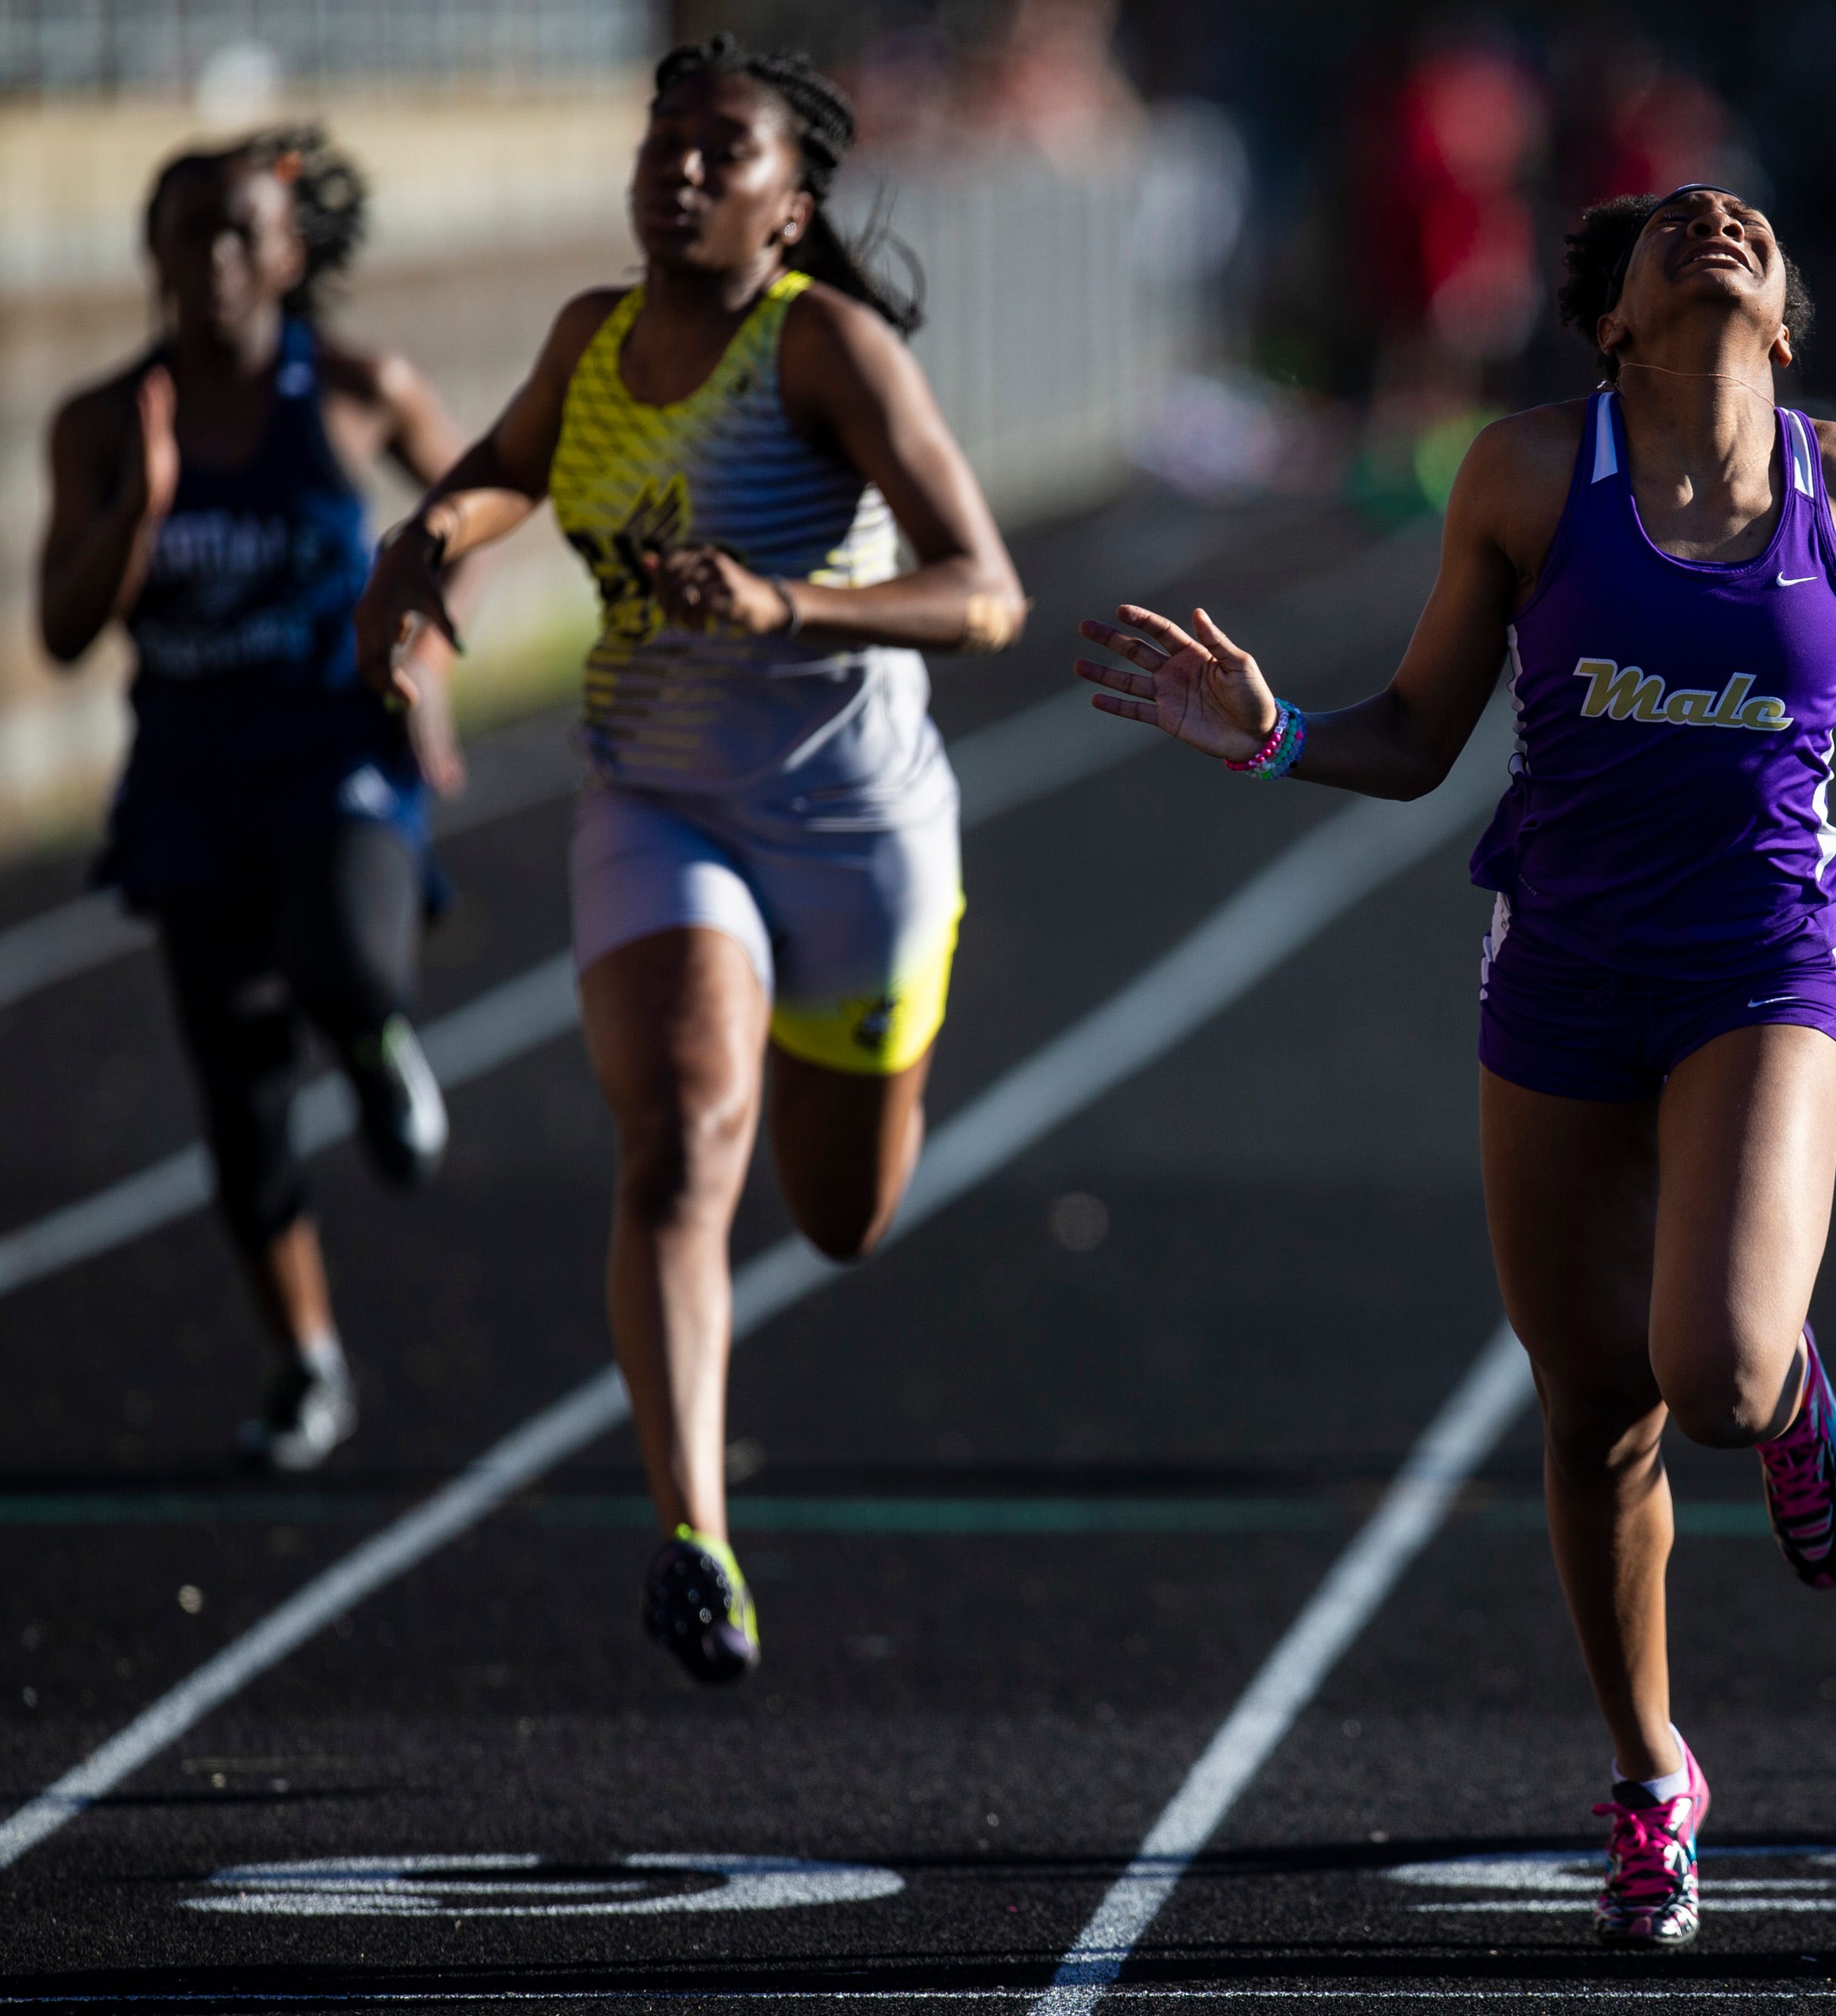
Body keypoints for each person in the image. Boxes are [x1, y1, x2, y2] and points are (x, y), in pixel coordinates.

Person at [1077, 184, 1836, 1946]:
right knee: (1593, 1411)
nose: (1716, 221)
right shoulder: (1527, 472)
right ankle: (1651, 1772)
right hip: (1562, 972)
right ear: (1614, 319)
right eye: (1676, 225)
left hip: (1757, 963)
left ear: (1789, 315)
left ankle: (1793, 1387)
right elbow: (1422, 733)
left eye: (1740, 217)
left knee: (1720, 1376)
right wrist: (1276, 732)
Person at [354, 36, 1026, 1684]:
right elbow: (509, 467)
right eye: (665, 139)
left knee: (840, 1210)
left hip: (853, 822)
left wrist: (788, 600)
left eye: (723, 150)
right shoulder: (590, 335)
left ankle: (868, 1048)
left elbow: (988, 591)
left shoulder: (827, 353)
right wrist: (420, 543)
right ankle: (693, 1534)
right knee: (677, 1132)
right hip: (656, 798)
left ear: (788, 207)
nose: (680, 168)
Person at [39, 127, 472, 1473]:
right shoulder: (106, 422)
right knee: (237, 1097)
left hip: (332, 743)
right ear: (153, 255)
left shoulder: (358, 390)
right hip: (192, 776)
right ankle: (306, 1363)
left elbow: (473, 518)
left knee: (344, 961)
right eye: (186, 236)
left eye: (239, 235)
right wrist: (139, 512)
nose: (213, 263)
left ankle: (373, 1044)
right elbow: (61, 631)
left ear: (287, 251)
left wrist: (431, 665)